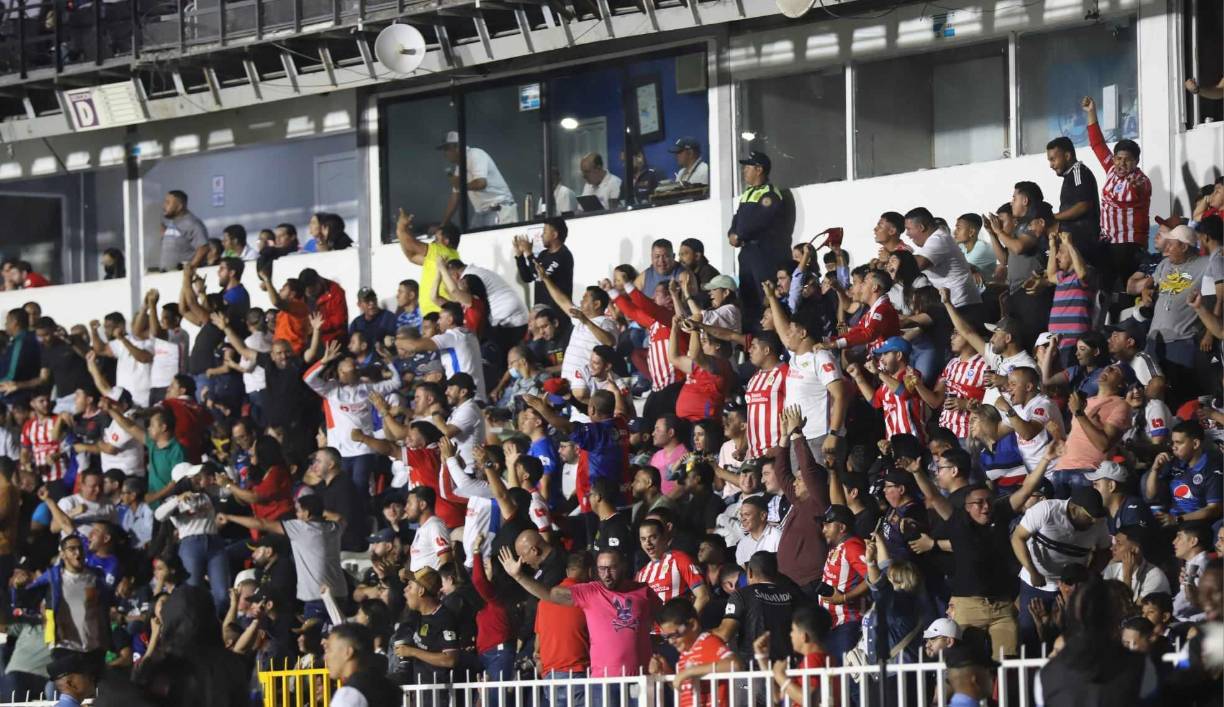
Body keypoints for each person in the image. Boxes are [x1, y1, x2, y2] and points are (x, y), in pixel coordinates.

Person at [1011, 487, 1110, 654]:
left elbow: (1104, 552)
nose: (1093, 522)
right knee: (1030, 633)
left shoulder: (1099, 523)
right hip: (1036, 584)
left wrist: (1088, 576)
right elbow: (1017, 538)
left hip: (1071, 587)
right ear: (1074, 509)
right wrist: (1032, 571)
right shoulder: (1047, 510)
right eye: (1089, 517)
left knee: (1068, 635)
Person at [1083, 95, 1152, 292]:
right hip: (1108, 241)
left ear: (1136, 162)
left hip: (1128, 245)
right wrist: (1091, 112)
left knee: (1124, 291)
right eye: (1118, 158)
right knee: (1104, 290)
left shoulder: (1141, 180)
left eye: (1127, 160)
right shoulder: (1111, 169)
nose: (1121, 163)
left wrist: (1135, 186)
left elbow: (1139, 192)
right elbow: (1097, 144)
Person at [729, 152, 789, 332]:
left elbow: (761, 221)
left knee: (764, 296)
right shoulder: (748, 193)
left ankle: (767, 336)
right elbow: (737, 218)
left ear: (759, 169)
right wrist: (732, 233)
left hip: (763, 252)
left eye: (747, 167)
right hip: (747, 252)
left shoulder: (770, 193)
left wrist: (739, 235)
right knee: (748, 297)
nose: (744, 171)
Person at [649, 599, 739, 707]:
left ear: (692, 625)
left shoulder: (707, 642)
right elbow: (682, 689)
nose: (671, 641)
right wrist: (666, 671)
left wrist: (690, 671)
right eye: (667, 637)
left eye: (674, 635)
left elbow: (735, 664)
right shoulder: (684, 655)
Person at [438, 131, 517, 227]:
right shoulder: (459, 168)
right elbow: (455, 197)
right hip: (481, 213)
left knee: (496, 236)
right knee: (472, 235)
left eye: (446, 149)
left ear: (458, 147)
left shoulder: (475, 154)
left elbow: (481, 183)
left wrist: (460, 186)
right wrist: (442, 225)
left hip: (499, 207)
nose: (445, 154)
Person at [325, 622, 401, 707]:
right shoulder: (390, 688)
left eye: (329, 650)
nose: (325, 657)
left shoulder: (349, 695)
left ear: (347, 653)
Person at [514, 218, 574, 311]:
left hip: (556, 313)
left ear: (554, 235)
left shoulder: (563, 255)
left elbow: (540, 275)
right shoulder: (543, 254)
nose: (541, 235)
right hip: (541, 311)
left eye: (545, 232)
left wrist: (529, 253)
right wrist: (520, 256)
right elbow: (527, 277)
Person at [159, 190, 209, 272]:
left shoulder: (192, 223)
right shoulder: (173, 222)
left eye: (168, 203)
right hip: (167, 274)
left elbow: (203, 248)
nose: (164, 206)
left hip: (181, 275)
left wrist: (190, 268)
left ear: (180, 206)